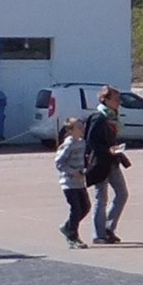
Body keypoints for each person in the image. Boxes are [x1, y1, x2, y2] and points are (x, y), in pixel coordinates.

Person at [85, 85, 131, 245]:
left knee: (122, 193)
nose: (119, 102)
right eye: (116, 99)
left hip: (112, 161)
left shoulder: (112, 117)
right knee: (101, 197)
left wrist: (115, 149)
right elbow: (90, 141)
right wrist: (107, 149)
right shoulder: (99, 117)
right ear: (106, 99)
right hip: (100, 163)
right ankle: (99, 234)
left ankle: (108, 228)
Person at [54, 116, 91, 249]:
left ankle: (67, 227)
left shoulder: (82, 142)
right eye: (79, 127)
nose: (82, 129)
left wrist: (84, 169)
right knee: (75, 209)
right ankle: (73, 237)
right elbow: (59, 163)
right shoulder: (68, 144)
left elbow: (84, 160)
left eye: (82, 127)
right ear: (70, 130)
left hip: (80, 182)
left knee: (86, 207)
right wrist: (71, 171)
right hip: (68, 183)